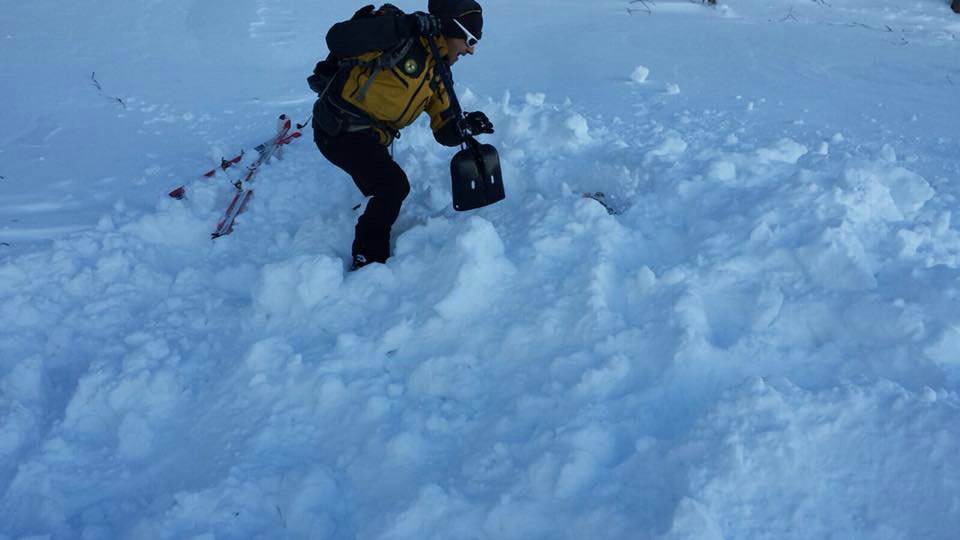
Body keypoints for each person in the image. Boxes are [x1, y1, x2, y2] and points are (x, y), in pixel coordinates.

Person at [311, 0, 494, 270]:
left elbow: (444, 131)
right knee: (393, 186)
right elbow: (338, 39)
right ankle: (368, 259)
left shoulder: (438, 73)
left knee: (379, 184)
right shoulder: (400, 35)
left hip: (371, 138)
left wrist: (467, 125)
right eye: (469, 39)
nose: (471, 49)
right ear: (451, 30)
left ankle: (369, 208)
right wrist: (404, 26)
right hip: (338, 128)